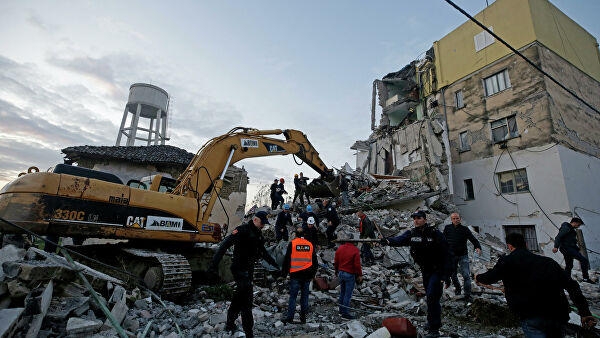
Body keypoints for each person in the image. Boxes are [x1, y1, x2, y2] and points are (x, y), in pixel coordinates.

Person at [476, 232, 597, 337]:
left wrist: (478, 277)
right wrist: (584, 312)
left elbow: (489, 278)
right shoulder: (548, 262)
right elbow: (572, 286)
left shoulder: (507, 262)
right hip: (556, 314)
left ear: (509, 246)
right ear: (526, 245)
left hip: (530, 315)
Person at [380, 210, 452, 337]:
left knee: (432, 297)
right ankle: (431, 322)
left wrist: (446, 276)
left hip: (437, 270)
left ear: (424, 219)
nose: (416, 220)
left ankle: (434, 329)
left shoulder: (435, 233)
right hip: (426, 271)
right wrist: (387, 241)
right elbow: (399, 239)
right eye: (414, 218)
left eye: (419, 218)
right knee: (430, 298)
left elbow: (447, 254)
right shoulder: (412, 233)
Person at [209, 211, 280, 338]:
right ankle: (249, 332)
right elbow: (224, 245)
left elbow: (263, 252)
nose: (263, 226)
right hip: (239, 269)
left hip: (249, 270)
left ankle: (230, 323)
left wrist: (275, 266)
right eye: (262, 223)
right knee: (247, 301)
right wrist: (213, 266)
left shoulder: (258, 234)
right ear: (255, 220)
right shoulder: (241, 230)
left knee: (239, 296)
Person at [281, 228, 318, 324]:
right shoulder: (309, 244)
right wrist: (313, 274)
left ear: (295, 235)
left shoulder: (292, 243)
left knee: (293, 297)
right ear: (304, 235)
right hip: (307, 275)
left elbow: (287, 259)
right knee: (305, 297)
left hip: (295, 274)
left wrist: (284, 274)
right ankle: (303, 318)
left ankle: (290, 318)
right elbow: (315, 261)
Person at [443, 212, 482, 301]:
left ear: (460, 219)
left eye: (457, 218)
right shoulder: (447, 228)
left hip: (463, 255)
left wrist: (478, 247)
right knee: (453, 275)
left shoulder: (465, 229)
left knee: (466, 275)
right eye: (454, 218)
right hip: (451, 256)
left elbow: (473, 239)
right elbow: (443, 240)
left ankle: (467, 295)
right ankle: (458, 290)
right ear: (451, 219)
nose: (456, 220)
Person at [552, 217, 594, 283]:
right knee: (584, 260)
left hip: (567, 248)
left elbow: (570, 240)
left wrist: (576, 248)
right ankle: (585, 278)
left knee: (569, 265)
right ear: (575, 222)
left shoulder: (571, 229)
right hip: (567, 248)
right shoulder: (566, 228)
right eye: (578, 224)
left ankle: (566, 279)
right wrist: (556, 247)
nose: (578, 226)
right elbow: (558, 237)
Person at [334, 234, 363, 319]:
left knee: (342, 292)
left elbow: (336, 261)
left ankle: (341, 309)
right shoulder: (355, 250)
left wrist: (336, 271)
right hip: (349, 273)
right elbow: (357, 265)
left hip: (341, 273)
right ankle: (345, 313)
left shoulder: (340, 248)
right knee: (348, 294)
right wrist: (360, 275)